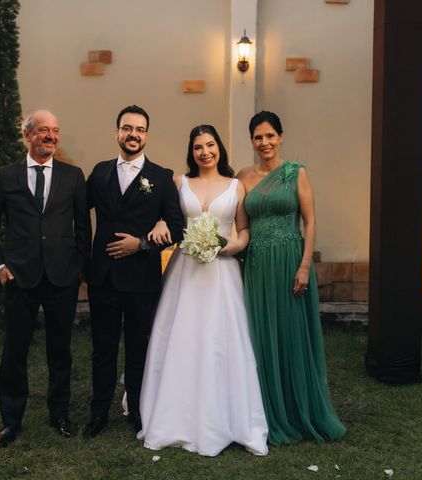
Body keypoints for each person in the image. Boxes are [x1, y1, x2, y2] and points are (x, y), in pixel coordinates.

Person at [137, 125, 268, 457]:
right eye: (198, 147)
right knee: (182, 338)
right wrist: (161, 224)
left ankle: (227, 418)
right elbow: (165, 217)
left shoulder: (236, 186)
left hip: (222, 272)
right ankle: (173, 414)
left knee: (222, 341)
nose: (205, 152)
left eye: (210, 145)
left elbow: (243, 230)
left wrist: (228, 247)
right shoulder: (179, 183)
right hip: (186, 270)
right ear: (191, 152)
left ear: (219, 148)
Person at [0, 110, 91, 449]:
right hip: (19, 278)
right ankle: (11, 421)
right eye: (44, 130)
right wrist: (0, 267)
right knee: (15, 350)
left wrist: (78, 270)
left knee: (61, 351)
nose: (51, 137)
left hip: (61, 279)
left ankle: (59, 415)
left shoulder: (73, 176)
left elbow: (84, 229)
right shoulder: (7, 176)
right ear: (28, 136)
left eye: (56, 131)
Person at [237, 111, 346, 445]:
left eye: (270, 135)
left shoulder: (296, 173)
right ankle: (267, 413)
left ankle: (300, 411)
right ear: (252, 141)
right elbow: (241, 226)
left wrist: (304, 266)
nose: (265, 142)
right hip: (256, 266)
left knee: (290, 334)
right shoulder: (242, 176)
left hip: (289, 263)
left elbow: (310, 222)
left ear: (280, 137)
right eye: (258, 137)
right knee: (261, 337)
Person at [84, 105, 185, 438]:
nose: (133, 134)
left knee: (139, 347)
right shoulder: (98, 173)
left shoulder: (160, 177)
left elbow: (177, 225)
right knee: (103, 348)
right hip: (103, 278)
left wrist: (141, 244)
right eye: (127, 128)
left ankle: (139, 411)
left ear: (146, 135)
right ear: (117, 132)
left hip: (142, 279)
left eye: (140, 129)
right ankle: (98, 413)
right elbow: (76, 215)